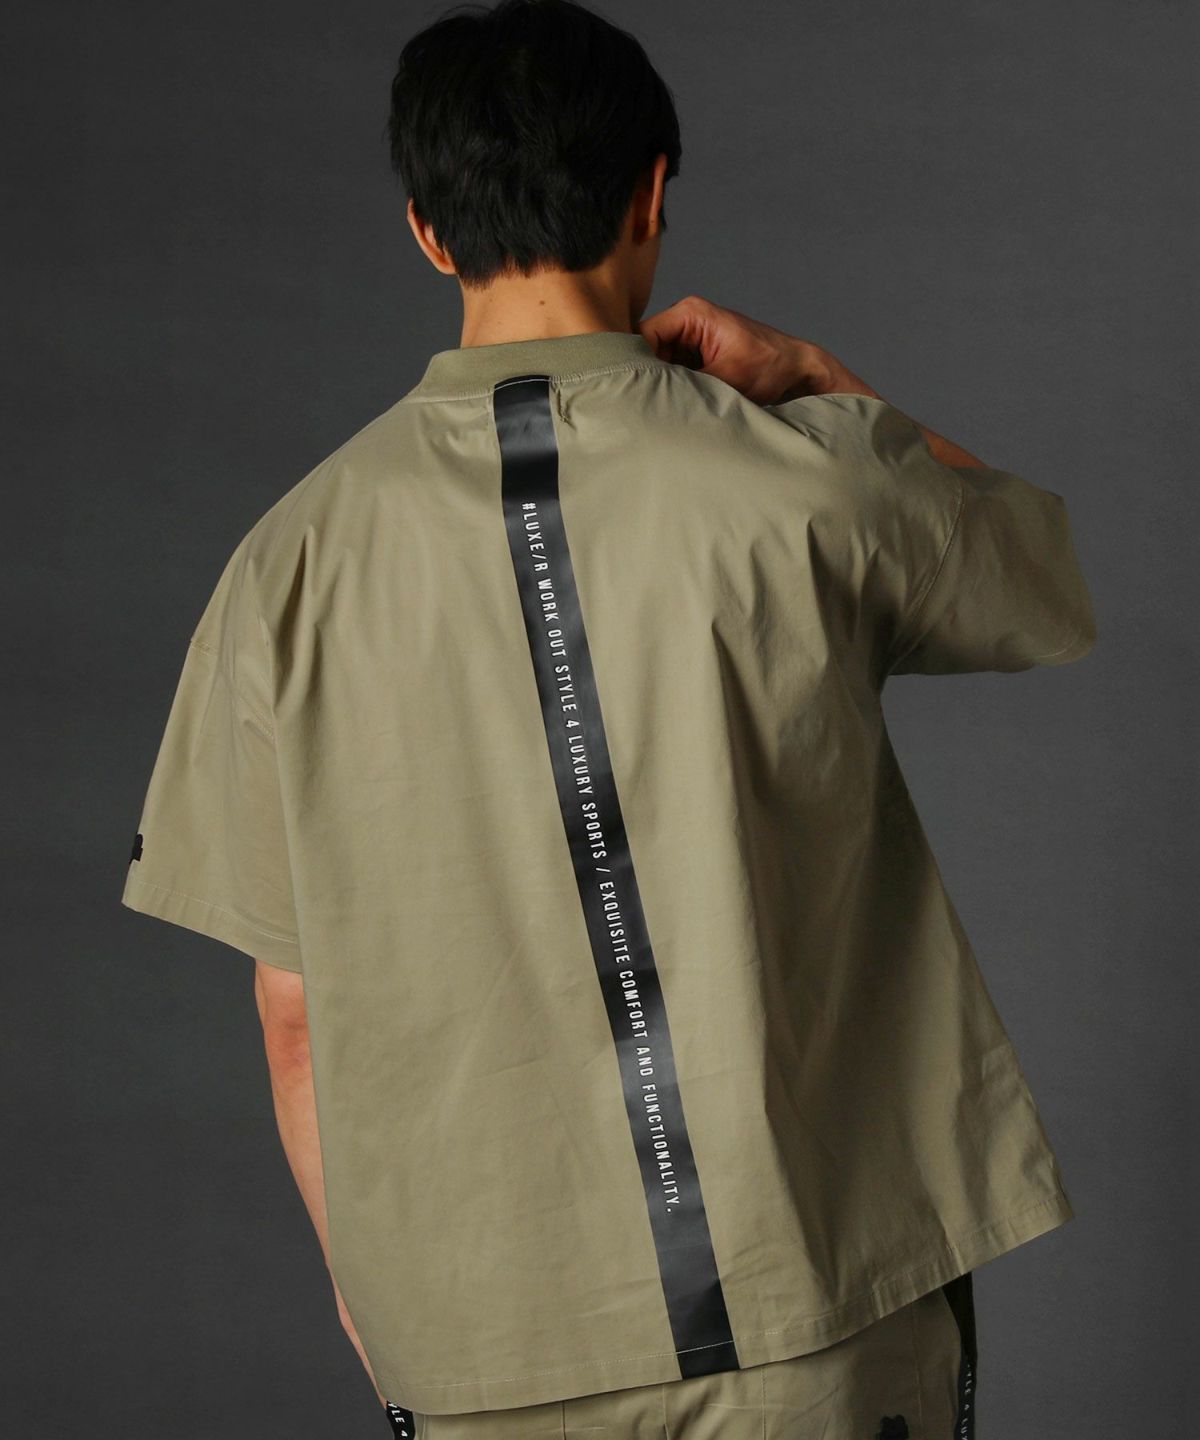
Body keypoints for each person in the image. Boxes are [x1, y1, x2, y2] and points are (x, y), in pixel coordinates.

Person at [119, 1, 1097, 1435]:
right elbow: (1042, 579)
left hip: (484, 1355)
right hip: (813, 1321)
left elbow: (294, 1014)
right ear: (651, 196)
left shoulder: (287, 568)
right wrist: (822, 383)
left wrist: (383, 1298)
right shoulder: (807, 477)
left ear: (427, 233)